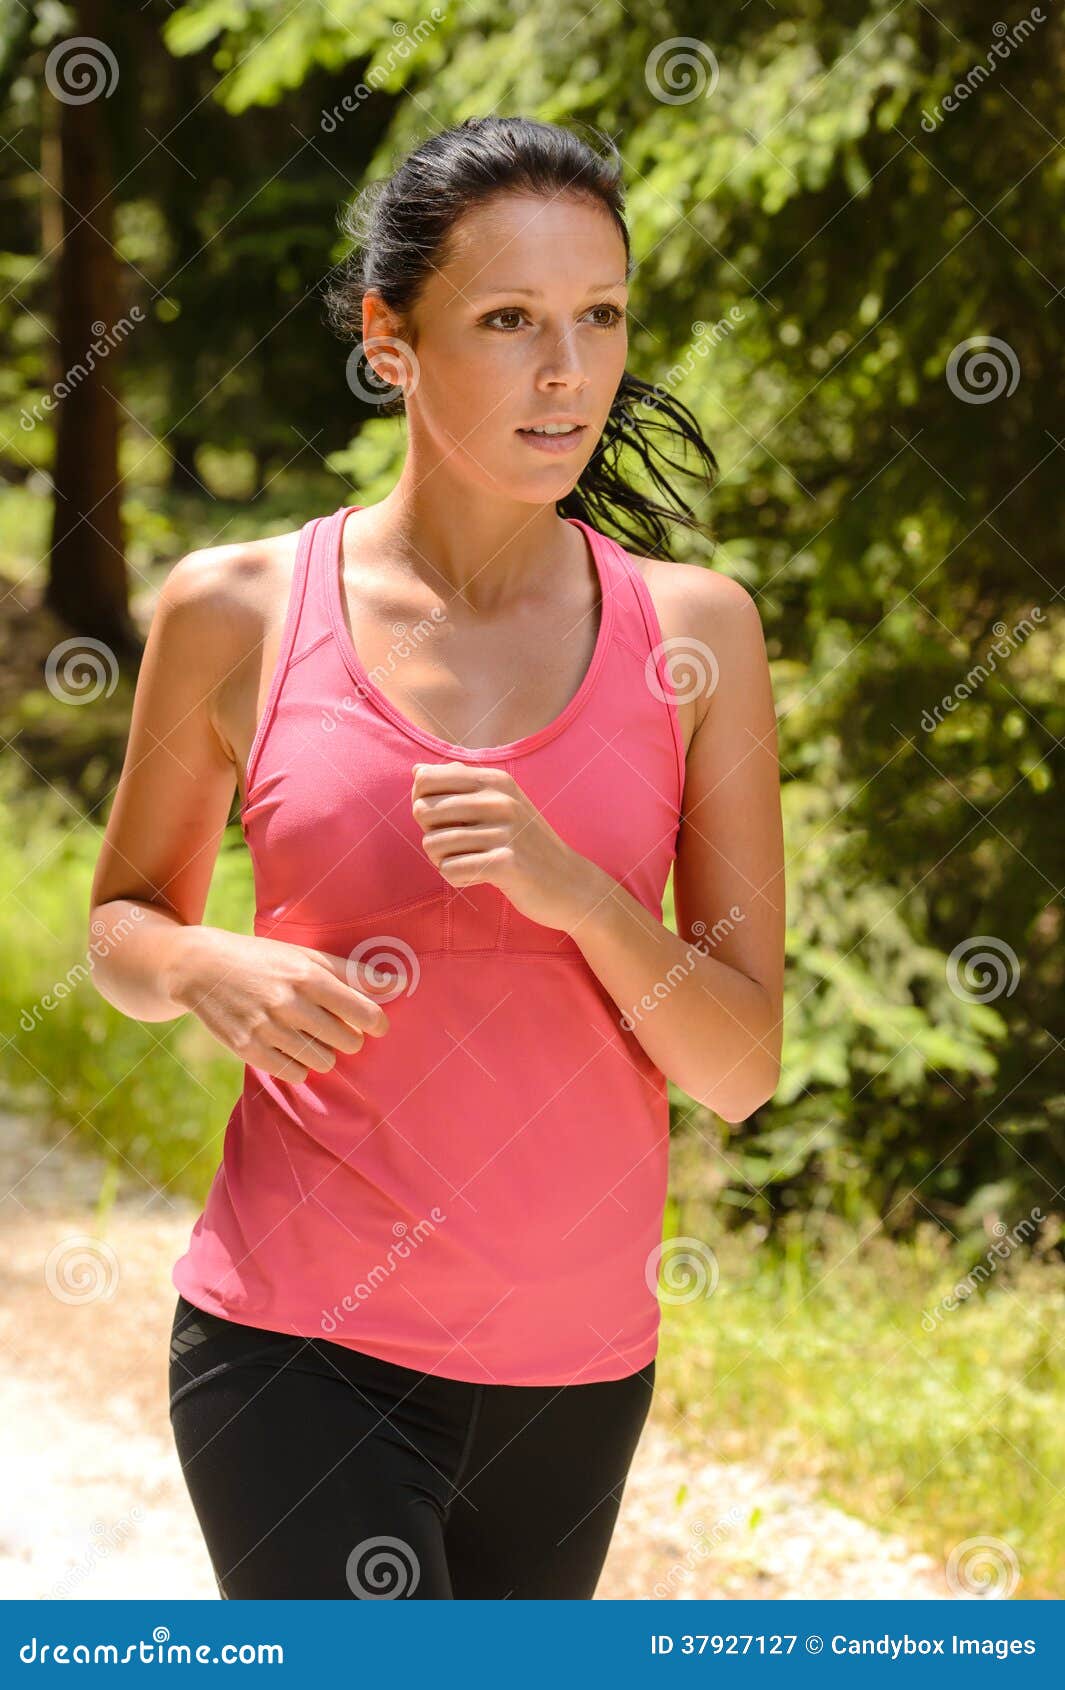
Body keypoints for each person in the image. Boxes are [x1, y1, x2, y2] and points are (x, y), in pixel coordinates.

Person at [89, 115, 785, 1600]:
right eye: (509, 320)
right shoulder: (238, 610)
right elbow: (123, 926)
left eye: (600, 318)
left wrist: (581, 895)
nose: (567, 371)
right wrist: (203, 958)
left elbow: (737, 1064)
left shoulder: (697, 635)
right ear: (387, 338)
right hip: (296, 1341)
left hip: (577, 1369)